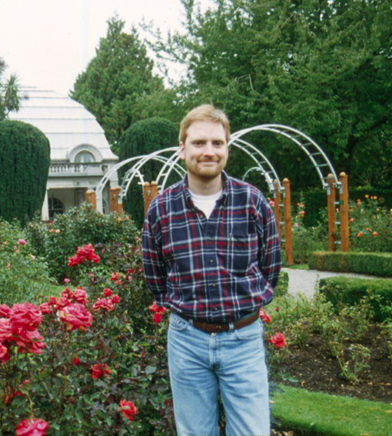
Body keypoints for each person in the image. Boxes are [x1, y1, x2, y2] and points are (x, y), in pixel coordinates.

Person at [142, 104, 281, 436]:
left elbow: (270, 268)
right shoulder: (162, 209)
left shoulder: (252, 202)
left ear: (227, 148)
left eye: (217, 143)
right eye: (199, 143)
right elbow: (155, 278)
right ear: (182, 149)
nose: (209, 151)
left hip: (243, 339)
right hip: (187, 340)